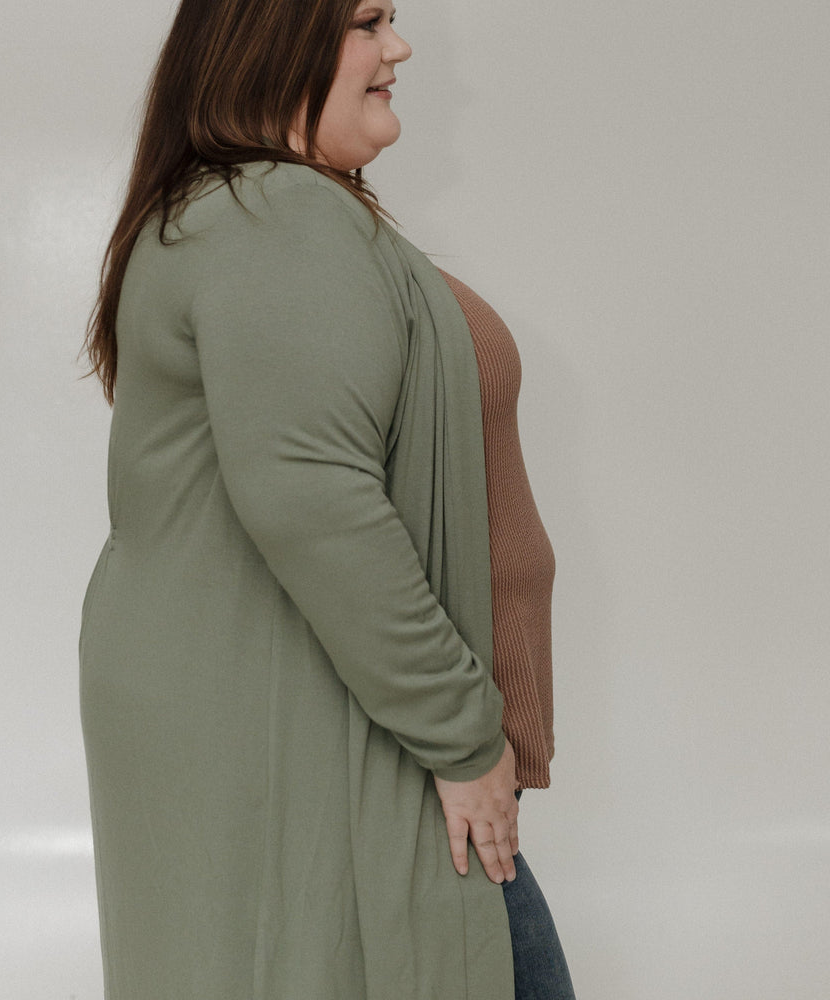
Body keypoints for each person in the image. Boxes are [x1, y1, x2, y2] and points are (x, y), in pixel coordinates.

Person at [80, 1, 575, 997]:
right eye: (365, 21)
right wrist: (459, 730)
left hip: (362, 708)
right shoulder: (274, 217)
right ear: (270, 37)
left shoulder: (278, 212)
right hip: (354, 717)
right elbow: (315, 500)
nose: (398, 47)